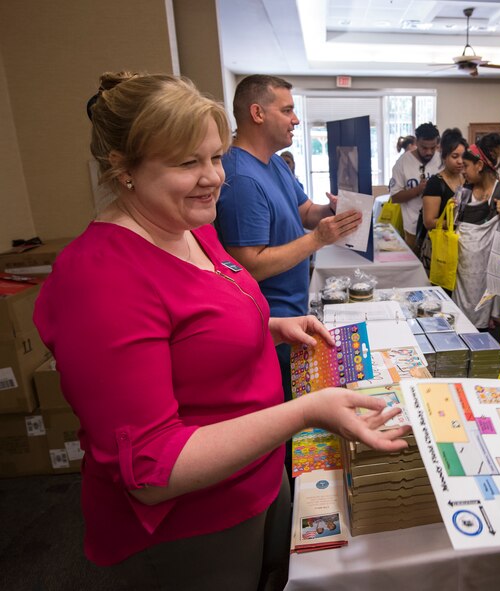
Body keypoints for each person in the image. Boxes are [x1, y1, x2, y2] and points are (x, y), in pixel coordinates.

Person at [33, 72, 410, 590]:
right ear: (124, 170)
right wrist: (305, 411)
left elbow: (202, 323)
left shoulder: (193, 228)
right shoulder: (100, 278)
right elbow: (151, 470)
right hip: (190, 525)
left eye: (214, 157)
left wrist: (273, 326)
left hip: (253, 480)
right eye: (188, 163)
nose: (215, 177)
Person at [215, 75, 360, 403]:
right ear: (257, 113)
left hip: (295, 309)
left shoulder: (276, 165)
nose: (296, 119)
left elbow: (306, 210)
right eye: (287, 110)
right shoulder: (241, 179)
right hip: (270, 325)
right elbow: (249, 266)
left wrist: (331, 210)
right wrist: (317, 240)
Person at [452, 133, 500, 328]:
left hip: (488, 269)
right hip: (463, 270)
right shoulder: (464, 193)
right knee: (461, 320)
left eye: (466, 166)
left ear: (480, 166)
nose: (462, 170)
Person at [418, 127, 467, 271]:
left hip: (461, 247)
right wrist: (455, 223)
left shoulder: (467, 180)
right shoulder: (435, 183)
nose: (460, 161)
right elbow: (429, 222)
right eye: (455, 156)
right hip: (440, 249)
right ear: (444, 157)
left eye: (463, 157)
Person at [388, 123, 442, 251]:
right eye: (424, 148)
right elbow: (395, 197)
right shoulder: (403, 162)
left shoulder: (442, 160)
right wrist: (417, 190)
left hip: (437, 227)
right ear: (416, 142)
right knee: (415, 267)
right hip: (412, 229)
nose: (429, 152)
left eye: (433, 148)